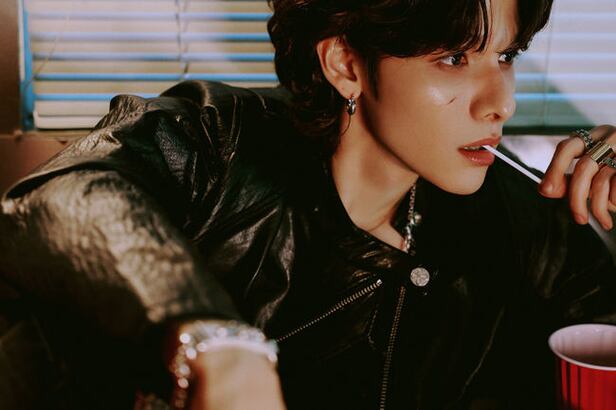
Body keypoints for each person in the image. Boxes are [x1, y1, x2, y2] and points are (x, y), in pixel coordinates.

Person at [1, 0, 616, 409]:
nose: (501, 102)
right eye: (455, 59)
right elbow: (58, 198)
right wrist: (215, 344)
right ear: (346, 64)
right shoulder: (215, 141)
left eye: (506, 56)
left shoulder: (517, 217)